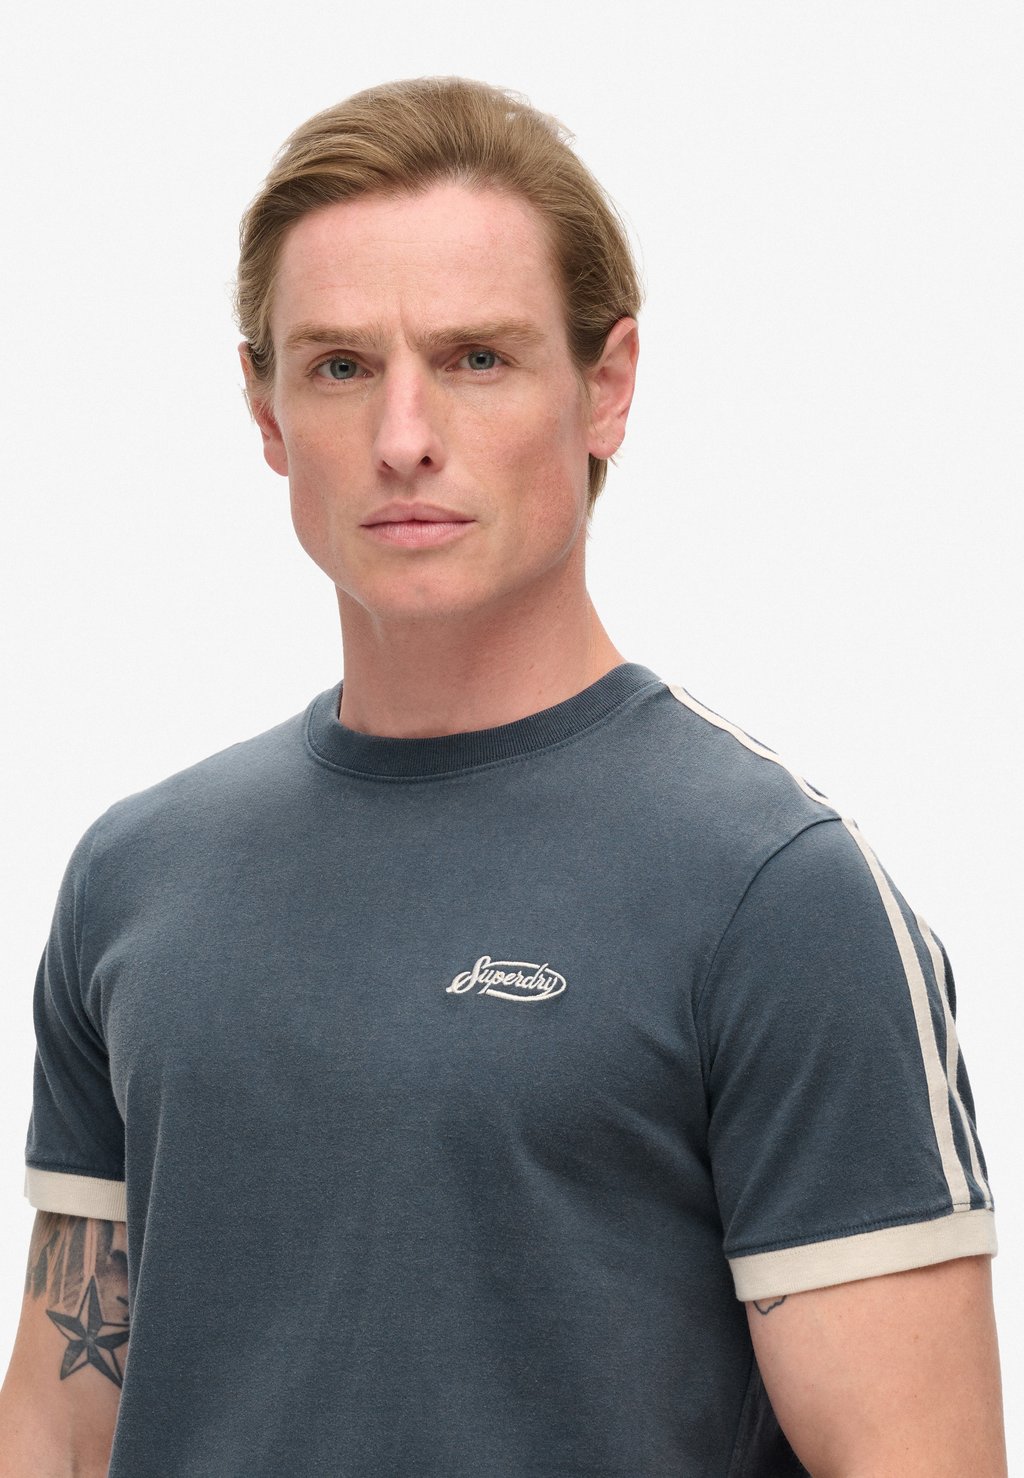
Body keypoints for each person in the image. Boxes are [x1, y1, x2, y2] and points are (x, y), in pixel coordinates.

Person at [0, 76, 1006, 1477]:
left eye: (476, 357)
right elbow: (61, 1425)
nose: (404, 435)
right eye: (340, 365)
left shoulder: (778, 897)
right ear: (266, 409)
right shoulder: (135, 878)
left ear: (608, 385)